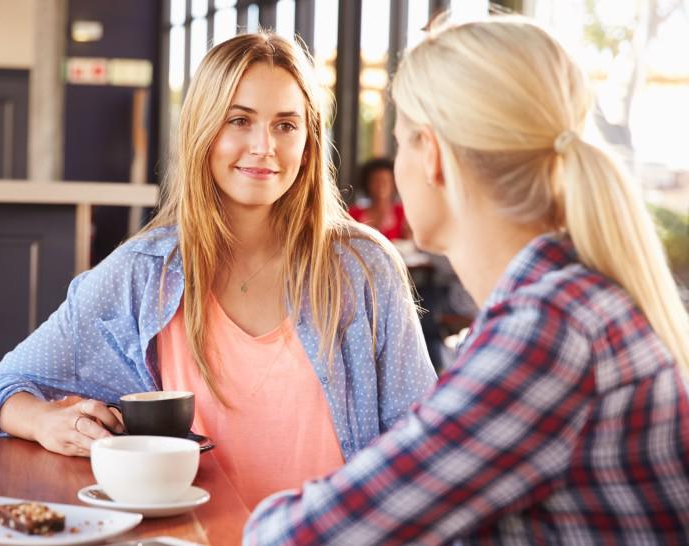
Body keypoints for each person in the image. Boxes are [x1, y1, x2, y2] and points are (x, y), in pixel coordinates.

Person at [244, 15, 689, 544]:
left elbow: (296, 537)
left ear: (431, 156)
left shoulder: (547, 333)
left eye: (403, 143)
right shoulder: (571, 302)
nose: (399, 165)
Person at [0, 32, 436, 510]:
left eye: (286, 125)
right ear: (203, 129)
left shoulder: (363, 267)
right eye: (240, 120)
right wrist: (47, 422)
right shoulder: (144, 272)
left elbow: (421, 443)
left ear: (310, 141)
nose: (264, 147)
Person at [348, 157, 408, 240]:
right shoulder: (353, 214)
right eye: (376, 181)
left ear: (394, 184)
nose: (381, 186)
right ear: (366, 183)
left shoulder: (402, 214)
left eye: (386, 181)